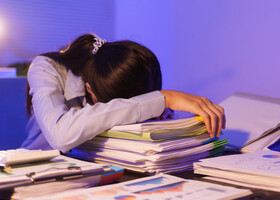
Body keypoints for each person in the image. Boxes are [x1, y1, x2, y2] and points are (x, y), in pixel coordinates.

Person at [21, 33, 225, 153]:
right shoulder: (46, 67)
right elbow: (61, 135)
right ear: (90, 89)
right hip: (38, 172)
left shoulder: (112, 68)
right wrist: (161, 99)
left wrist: (160, 118)